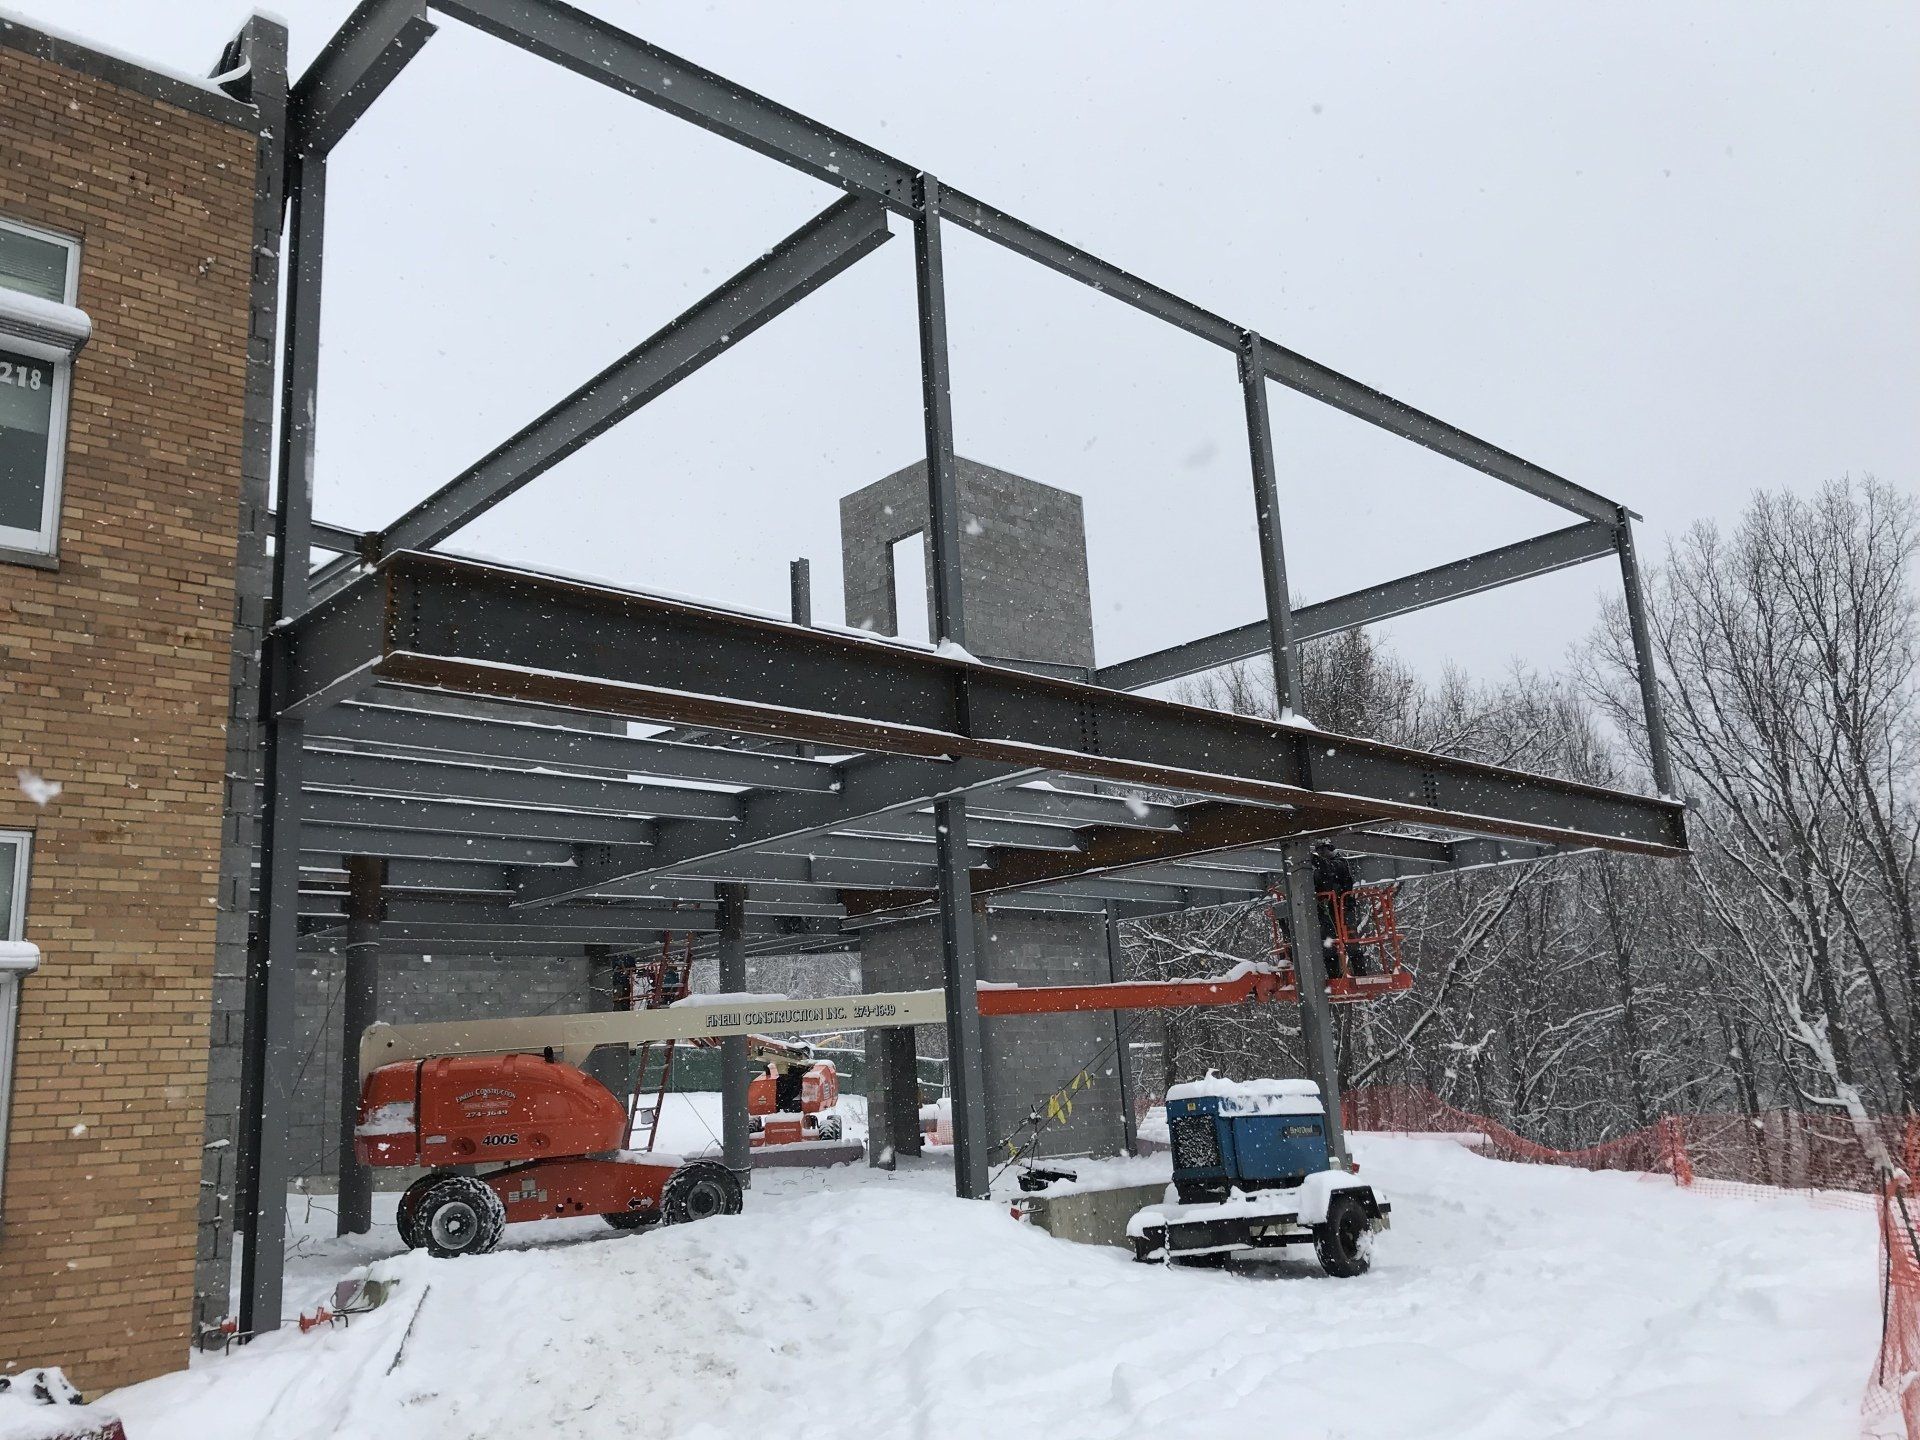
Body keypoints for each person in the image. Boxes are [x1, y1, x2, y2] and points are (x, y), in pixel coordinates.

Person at [1310, 842, 1363, 978]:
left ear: (1332, 849)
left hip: (1343, 908)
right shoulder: (1317, 872)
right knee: (1328, 944)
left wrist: (1314, 859)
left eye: (1323, 850)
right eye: (1318, 851)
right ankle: (1334, 976)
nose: (1321, 853)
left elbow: (1330, 868)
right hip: (1326, 911)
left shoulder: (1341, 863)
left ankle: (1360, 973)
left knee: (1350, 941)